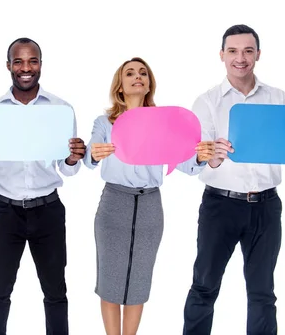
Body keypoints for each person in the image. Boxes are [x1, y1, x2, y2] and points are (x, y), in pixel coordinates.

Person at [182, 24, 285, 335]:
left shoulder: (278, 97)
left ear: (258, 55)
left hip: (265, 206)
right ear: (221, 55)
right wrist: (213, 155)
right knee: (205, 286)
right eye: (233, 51)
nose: (240, 58)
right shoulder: (206, 101)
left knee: (262, 293)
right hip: (220, 205)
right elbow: (192, 157)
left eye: (248, 51)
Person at [0, 37, 86, 335]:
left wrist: (73, 159)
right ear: (8, 66)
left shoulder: (61, 109)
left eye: (32, 61)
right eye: (18, 61)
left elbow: (67, 170)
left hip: (47, 210)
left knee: (56, 292)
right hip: (4, 212)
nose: (25, 68)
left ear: (41, 66)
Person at [84, 57, 208, 335]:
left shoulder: (163, 122)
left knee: (139, 279)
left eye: (143, 73)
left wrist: (199, 156)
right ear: (120, 86)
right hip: (114, 202)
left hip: (150, 204)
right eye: (130, 73)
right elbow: (91, 154)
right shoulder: (105, 122)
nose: (137, 76)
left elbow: (186, 164)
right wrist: (94, 151)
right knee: (110, 279)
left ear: (149, 83)